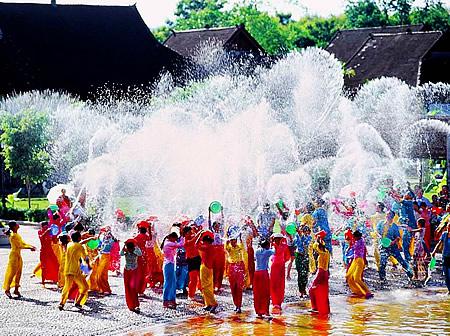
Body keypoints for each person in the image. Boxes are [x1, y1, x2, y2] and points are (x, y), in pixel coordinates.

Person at [377, 211, 413, 283]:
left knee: (401, 261)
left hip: (393, 247)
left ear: (392, 217)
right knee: (382, 263)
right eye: (387, 214)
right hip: (383, 247)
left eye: (389, 215)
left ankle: (411, 276)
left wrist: (393, 242)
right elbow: (377, 232)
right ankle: (382, 280)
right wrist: (380, 237)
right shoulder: (381, 223)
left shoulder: (394, 226)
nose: (387, 216)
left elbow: (398, 237)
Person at [3, 221, 36, 298]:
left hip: (18, 255)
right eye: (17, 224)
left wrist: (31, 246)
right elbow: (19, 245)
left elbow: (23, 243)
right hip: (14, 256)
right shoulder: (13, 236)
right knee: (12, 273)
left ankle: (16, 289)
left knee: (19, 272)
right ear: (14, 226)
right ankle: (7, 289)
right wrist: (29, 247)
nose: (18, 225)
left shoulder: (17, 234)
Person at [59, 231, 89, 310]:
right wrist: (89, 265)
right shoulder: (80, 247)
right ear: (79, 238)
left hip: (68, 270)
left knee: (67, 287)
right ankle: (78, 302)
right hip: (75, 271)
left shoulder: (69, 244)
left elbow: (78, 244)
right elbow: (85, 258)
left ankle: (62, 303)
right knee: (85, 287)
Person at [346, 230, 373, 298]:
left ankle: (368, 292)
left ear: (356, 237)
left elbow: (351, 248)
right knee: (349, 276)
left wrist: (350, 244)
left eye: (354, 237)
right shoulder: (361, 240)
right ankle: (358, 291)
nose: (353, 238)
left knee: (357, 278)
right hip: (356, 260)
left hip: (359, 261)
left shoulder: (358, 242)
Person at [308, 230, 330, 315]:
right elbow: (319, 245)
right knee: (324, 292)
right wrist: (319, 238)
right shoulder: (327, 252)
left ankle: (314, 307)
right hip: (326, 273)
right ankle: (324, 307)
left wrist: (317, 238)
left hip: (321, 273)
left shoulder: (321, 254)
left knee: (311, 290)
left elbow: (315, 246)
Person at [196, 230, 218, 313]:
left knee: (205, 287)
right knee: (209, 286)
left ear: (206, 241)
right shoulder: (212, 247)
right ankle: (208, 304)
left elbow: (196, 245)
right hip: (210, 268)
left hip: (205, 267)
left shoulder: (207, 247)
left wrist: (200, 235)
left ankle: (213, 303)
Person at [161, 231, 184, 308]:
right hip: (168, 265)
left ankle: (172, 300)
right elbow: (181, 244)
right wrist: (183, 236)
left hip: (171, 264)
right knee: (168, 283)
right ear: (171, 237)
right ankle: (165, 300)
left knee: (173, 283)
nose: (175, 240)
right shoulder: (168, 244)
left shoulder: (168, 241)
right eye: (175, 239)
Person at [225, 234, 246, 313]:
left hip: (240, 266)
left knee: (239, 287)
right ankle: (235, 304)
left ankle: (239, 305)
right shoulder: (228, 248)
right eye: (232, 241)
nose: (233, 242)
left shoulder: (239, 247)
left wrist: (240, 236)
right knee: (233, 287)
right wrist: (228, 239)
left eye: (234, 240)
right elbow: (226, 246)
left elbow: (243, 244)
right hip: (231, 267)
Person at [270, 232, 290, 314]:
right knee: (273, 284)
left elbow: (288, 256)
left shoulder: (284, 246)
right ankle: (275, 302)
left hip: (281, 267)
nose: (277, 240)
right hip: (274, 267)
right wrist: (271, 240)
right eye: (276, 239)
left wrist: (283, 261)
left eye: (279, 239)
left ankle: (279, 302)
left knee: (280, 284)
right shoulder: (272, 245)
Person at [253, 240, 274, 318]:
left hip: (256, 273)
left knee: (257, 292)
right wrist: (273, 243)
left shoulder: (257, 251)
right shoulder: (267, 251)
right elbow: (275, 251)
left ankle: (259, 312)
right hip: (263, 273)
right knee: (265, 293)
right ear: (267, 246)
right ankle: (266, 311)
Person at [120, 238, 142, 313]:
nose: (130, 250)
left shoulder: (136, 251)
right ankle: (131, 305)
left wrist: (136, 246)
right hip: (127, 271)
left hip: (134, 271)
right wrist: (124, 246)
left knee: (133, 288)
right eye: (129, 249)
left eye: (131, 249)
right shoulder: (126, 252)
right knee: (128, 288)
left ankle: (136, 305)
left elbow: (140, 254)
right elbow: (120, 254)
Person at [182, 226, 202, 300]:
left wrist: (198, 230)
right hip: (191, 260)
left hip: (197, 258)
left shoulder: (192, 236)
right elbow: (193, 240)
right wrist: (199, 233)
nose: (191, 233)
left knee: (200, 277)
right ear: (185, 233)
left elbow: (198, 239)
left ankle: (200, 289)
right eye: (189, 232)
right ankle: (190, 295)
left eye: (191, 232)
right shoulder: (185, 241)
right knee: (193, 279)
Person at [37, 221, 60, 286]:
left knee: (56, 264)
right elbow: (41, 238)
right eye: (44, 226)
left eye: (47, 226)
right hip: (43, 252)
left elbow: (55, 241)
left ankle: (57, 279)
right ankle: (43, 282)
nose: (46, 227)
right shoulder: (40, 232)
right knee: (43, 267)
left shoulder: (50, 233)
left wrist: (55, 235)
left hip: (50, 251)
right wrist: (46, 231)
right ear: (42, 227)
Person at [208, 209, 225, 293]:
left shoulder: (221, 233)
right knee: (214, 268)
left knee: (221, 268)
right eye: (216, 226)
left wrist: (221, 211)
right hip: (214, 251)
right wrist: (209, 212)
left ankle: (219, 285)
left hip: (221, 251)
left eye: (218, 226)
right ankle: (213, 285)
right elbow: (209, 223)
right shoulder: (212, 232)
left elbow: (223, 221)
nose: (217, 227)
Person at [431, 223, 450, 293]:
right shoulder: (444, 234)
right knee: (446, 275)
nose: (449, 229)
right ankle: (449, 290)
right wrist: (434, 252)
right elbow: (439, 243)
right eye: (448, 227)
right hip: (445, 256)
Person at [294, 226, 312, 297]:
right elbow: (296, 243)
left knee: (305, 273)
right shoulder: (297, 236)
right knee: (300, 273)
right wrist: (299, 234)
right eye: (304, 231)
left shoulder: (309, 237)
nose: (305, 232)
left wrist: (301, 235)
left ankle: (304, 289)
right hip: (299, 255)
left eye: (307, 231)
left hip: (305, 256)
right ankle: (300, 290)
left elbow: (305, 242)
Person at [134, 221, 150, 296]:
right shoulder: (146, 236)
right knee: (143, 273)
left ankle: (136, 289)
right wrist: (149, 229)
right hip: (144, 254)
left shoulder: (137, 237)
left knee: (138, 272)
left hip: (138, 254)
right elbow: (150, 238)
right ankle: (141, 290)